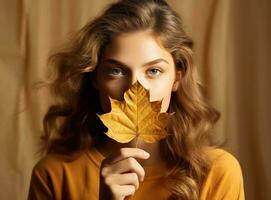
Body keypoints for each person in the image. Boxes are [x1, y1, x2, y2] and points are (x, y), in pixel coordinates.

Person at [28, 0, 245, 199]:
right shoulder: (54, 174)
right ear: (95, 78)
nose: (135, 88)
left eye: (153, 71)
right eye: (116, 70)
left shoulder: (217, 172)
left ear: (177, 78)